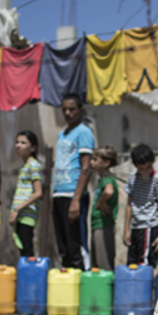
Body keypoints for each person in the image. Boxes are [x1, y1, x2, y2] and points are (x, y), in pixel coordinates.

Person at [52, 94, 94, 270]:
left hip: (73, 195)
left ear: (81, 110)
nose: (68, 113)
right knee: (63, 247)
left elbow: (86, 167)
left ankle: (82, 287)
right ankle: (67, 289)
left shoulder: (84, 131)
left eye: (72, 109)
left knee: (75, 245)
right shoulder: (62, 134)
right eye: (64, 110)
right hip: (58, 193)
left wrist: (76, 199)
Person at [124, 144, 158, 267]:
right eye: (141, 169)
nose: (145, 171)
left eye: (148, 167)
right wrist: (126, 230)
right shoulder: (132, 179)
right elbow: (129, 205)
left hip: (149, 227)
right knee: (131, 264)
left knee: (144, 264)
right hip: (135, 227)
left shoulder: (157, 180)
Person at [11, 131, 43, 258]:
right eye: (17, 142)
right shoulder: (25, 166)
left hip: (27, 213)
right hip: (21, 214)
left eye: (23, 143)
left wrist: (18, 209)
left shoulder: (33, 165)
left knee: (27, 249)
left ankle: (30, 276)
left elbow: (38, 193)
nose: (18, 146)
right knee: (23, 249)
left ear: (33, 148)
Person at [89, 146, 120, 271]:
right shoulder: (103, 179)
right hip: (98, 224)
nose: (91, 162)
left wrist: (101, 202)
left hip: (103, 225)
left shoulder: (107, 178)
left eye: (95, 159)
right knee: (96, 263)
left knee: (104, 264)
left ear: (106, 163)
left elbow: (108, 191)